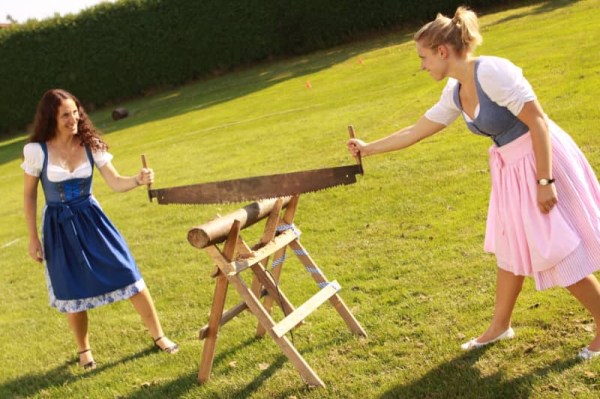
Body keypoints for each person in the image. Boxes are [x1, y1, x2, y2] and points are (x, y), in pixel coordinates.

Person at [348, 6, 600, 360]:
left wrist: (545, 180)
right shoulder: (456, 90)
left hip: (540, 159)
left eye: (423, 58)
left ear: (442, 51)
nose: (421, 66)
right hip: (510, 169)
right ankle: (500, 326)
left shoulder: (493, 72)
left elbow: (539, 122)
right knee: (510, 246)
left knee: (555, 246)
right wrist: (368, 148)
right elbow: (417, 130)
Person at [23, 89, 179, 370]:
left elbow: (116, 181)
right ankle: (84, 350)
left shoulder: (90, 144)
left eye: (75, 112)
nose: (73, 119)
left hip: (93, 220)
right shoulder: (37, 151)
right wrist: (33, 238)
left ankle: (160, 336)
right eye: (65, 115)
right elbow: (29, 195)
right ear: (51, 118)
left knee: (128, 273)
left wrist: (138, 179)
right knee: (72, 289)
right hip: (58, 226)